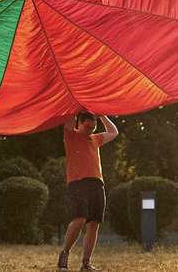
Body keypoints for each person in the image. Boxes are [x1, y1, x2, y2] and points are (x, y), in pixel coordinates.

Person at [58, 111, 120, 272]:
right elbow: (68, 119)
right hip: (77, 182)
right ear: (80, 124)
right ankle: (64, 256)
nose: (90, 130)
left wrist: (102, 115)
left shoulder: (96, 139)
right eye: (87, 127)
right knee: (80, 219)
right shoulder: (72, 136)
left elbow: (114, 132)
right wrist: (75, 103)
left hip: (97, 183)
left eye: (93, 127)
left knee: (94, 224)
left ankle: (86, 263)